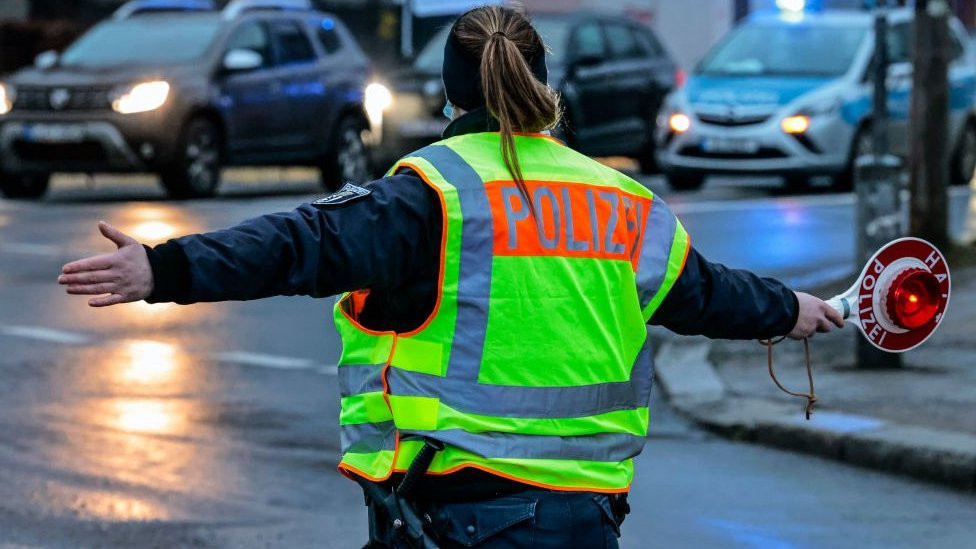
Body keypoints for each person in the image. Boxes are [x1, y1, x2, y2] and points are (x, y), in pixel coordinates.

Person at [58, 6, 843, 548]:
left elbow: (297, 245)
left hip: (459, 517)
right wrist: (794, 308)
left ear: (450, 92)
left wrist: (162, 267)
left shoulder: (433, 193)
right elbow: (705, 292)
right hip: (589, 516)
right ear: (544, 83)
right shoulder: (623, 201)